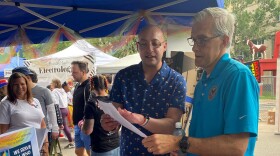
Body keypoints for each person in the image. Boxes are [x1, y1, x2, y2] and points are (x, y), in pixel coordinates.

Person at [142, 7, 259, 156]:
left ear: (224, 41)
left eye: (202, 40)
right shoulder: (204, 80)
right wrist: (183, 149)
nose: (195, 47)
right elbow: (202, 139)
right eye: (194, 39)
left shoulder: (237, 76)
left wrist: (179, 142)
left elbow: (236, 148)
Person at [100, 25, 187, 155]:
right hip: (128, 150)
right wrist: (108, 123)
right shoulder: (123, 76)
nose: (149, 49)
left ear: (164, 46)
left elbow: (171, 125)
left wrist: (141, 120)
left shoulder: (176, 81)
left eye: (155, 44)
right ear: (137, 47)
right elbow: (115, 115)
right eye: (144, 44)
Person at [12, 67, 60, 154]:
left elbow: (51, 111)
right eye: (15, 83)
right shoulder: (14, 95)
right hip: (22, 137)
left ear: (28, 78)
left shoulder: (44, 91)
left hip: (43, 132)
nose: (19, 87)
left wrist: (55, 129)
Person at [0, 73, 47, 152]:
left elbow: (42, 124)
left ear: (27, 85)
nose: (20, 87)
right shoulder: (5, 104)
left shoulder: (35, 101)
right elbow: (3, 132)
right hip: (19, 147)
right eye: (15, 85)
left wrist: (45, 143)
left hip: (37, 145)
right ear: (11, 87)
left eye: (22, 84)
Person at [81, 75, 120, 156]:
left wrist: (81, 125)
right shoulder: (114, 100)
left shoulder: (91, 104)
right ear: (105, 85)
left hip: (101, 148)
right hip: (117, 145)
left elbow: (87, 130)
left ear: (92, 86)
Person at [71, 61, 91, 156]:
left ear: (83, 72)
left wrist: (86, 122)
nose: (72, 74)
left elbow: (91, 107)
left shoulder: (89, 86)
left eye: (74, 72)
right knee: (78, 151)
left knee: (89, 151)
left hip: (85, 125)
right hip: (76, 125)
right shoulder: (77, 86)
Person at [51, 79, 75, 149]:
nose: (51, 84)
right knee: (62, 126)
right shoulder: (63, 90)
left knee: (62, 126)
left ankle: (70, 142)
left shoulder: (55, 91)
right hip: (65, 109)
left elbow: (55, 102)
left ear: (55, 84)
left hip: (59, 109)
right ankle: (57, 142)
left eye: (52, 83)